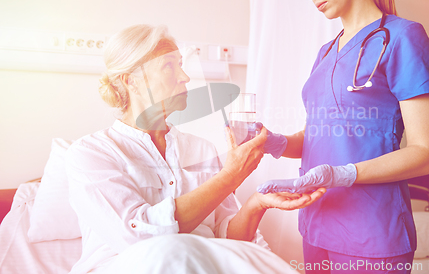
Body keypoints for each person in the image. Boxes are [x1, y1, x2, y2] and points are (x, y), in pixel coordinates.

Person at [65, 24, 325, 274]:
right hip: (130, 267)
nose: (185, 77)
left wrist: (257, 203)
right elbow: (139, 236)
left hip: (202, 264)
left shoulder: (201, 150)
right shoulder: (91, 154)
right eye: (169, 66)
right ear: (132, 81)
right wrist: (231, 176)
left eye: (181, 64)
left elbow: (230, 238)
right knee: (176, 252)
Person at [256, 0, 429, 273]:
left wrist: (344, 174)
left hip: (371, 232)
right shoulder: (325, 53)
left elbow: (426, 152)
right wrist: (277, 142)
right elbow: (322, 135)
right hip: (316, 223)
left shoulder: (402, 37)